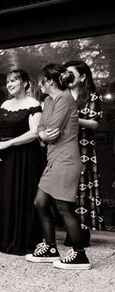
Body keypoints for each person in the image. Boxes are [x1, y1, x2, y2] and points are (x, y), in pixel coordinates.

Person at [25, 64, 91, 270]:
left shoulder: (64, 98)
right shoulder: (48, 100)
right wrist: (43, 134)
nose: (39, 84)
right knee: (40, 203)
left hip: (66, 160)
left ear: (49, 81)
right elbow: (42, 129)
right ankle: (51, 248)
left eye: (41, 80)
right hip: (54, 159)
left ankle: (80, 255)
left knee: (64, 208)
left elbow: (52, 129)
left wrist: (44, 134)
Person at [0, 70, 43, 255]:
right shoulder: (5, 104)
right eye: (8, 81)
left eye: (13, 81)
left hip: (24, 157)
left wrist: (7, 144)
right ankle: (2, 239)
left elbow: (34, 133)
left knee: (21, 195)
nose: (9, 84)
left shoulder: (34, 104)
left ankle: (20, 240)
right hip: (3, 157)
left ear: (25, 83)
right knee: (4, 195)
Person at [63, 60, 104, 246]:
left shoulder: (93, 97)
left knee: (83, 188)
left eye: (71, 73)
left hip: (84, 149)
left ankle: (82, 232)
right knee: (66, 189)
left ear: (83, 76)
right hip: (64, 148)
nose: (68, 76)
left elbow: (95, 123)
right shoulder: (62, 96)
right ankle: (69, 229)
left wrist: (73, 118)